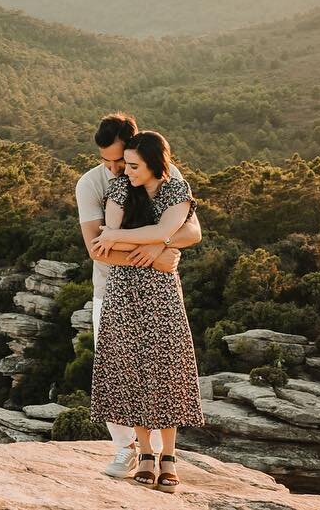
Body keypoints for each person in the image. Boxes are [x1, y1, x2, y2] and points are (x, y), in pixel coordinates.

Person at [76, 113, 201, 477]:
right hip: (111, 288)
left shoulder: (170, 175)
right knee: (119, 368)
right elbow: (96, 248)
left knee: (164, 365)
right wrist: (155, 254)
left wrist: (161, 243)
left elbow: (191, 232)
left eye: (122, 160)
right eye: (107, 161)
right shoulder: (93, 185)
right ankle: (126, 450)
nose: (115, 168)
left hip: (160, 290)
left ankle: (163, 457)